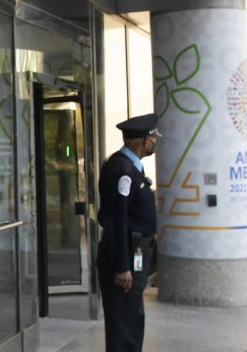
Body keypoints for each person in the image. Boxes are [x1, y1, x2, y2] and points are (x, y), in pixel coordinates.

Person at [97, 113, 160, 352]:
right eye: (153, 137)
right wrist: (122, 266)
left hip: (135, 252)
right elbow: (117, 220)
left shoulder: (131, 167)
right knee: (124, 324)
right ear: (142, 141)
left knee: (132, 319)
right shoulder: (121, 169)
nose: (155, 141)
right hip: (125, 256)